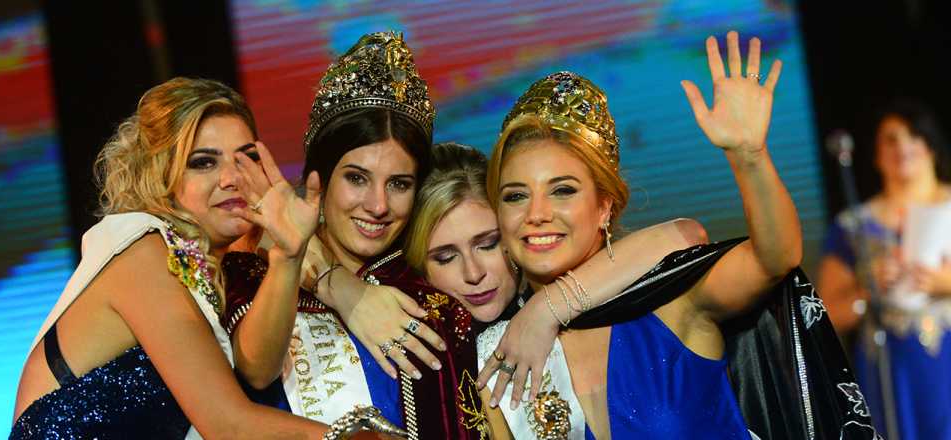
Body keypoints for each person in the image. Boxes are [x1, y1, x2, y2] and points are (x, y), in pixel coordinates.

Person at [472, 31, 877, 439]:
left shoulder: (671, 299)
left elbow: (774, 258)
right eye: (515, 196)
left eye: (563, 190)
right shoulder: (496, 354)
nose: (536, 214)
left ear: (604, 207)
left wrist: (749, 156)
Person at [10, 77, 403, 439]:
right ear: (161, 173)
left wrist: (289, 253)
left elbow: (260, 371)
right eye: (204, 162)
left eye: (246, 158)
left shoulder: (216, 269)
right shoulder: (143, 252)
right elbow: (228, 424)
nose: (232, 179)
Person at [224, 31, 487, 439]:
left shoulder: (433, 293)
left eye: (398, 184)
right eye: (357, 178)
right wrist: (307, 267)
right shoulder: (255, 271)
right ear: (320, 177)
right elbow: (256, 371)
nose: (378, 205)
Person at [402, 142, 709, 438]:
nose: (473, 273)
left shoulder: (575, 306)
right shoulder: (418, 357)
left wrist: (545, 308)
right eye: (445, 257)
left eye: (488, 244)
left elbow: (685, 235)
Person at [817, 98, 951, 439]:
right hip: (890, 370)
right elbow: (826, 315)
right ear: (877, 155)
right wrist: (867, 289)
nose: (902, 147)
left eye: (913, 135)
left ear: (931, 145)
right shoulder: (854, 226)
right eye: (891, 139)